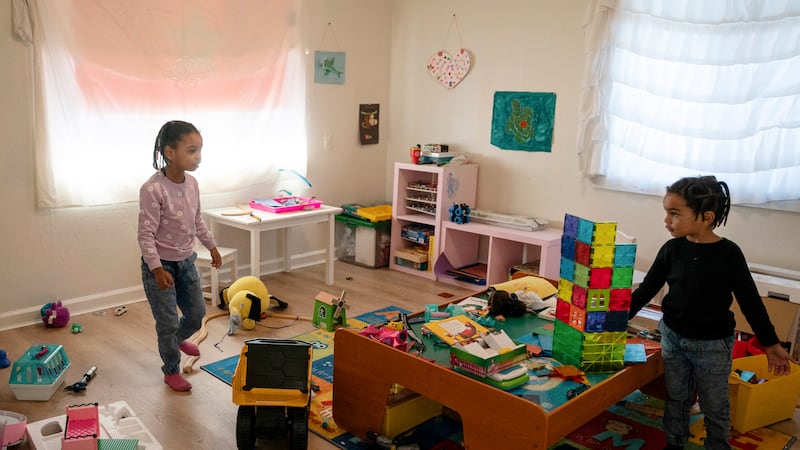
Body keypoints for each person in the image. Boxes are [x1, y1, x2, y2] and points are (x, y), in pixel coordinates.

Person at [628, 175, 794, 450]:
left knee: (714, 405)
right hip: (673, 339)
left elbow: (750, 301)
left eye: (674, 213)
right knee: (677, 397)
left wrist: (771, 343)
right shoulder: (671, 249)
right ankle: (675, 443)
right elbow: (646, 290)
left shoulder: (729, 254)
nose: (667, 220)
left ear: (706, 217)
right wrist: (614, 320)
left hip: (713, 346)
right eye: (666, 213)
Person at [138, 120, 221, 392]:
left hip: (187, 261)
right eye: (192, 151)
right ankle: (171, 369)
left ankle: (176, 339)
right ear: (170, 152)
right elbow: (145, 234)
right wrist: (156, 269)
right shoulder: (152, 189)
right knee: (168, 322)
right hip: (161, 267)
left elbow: (197, 221)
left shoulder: (193, 184)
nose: (198, 157)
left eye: (199, 151)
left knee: (196, 314)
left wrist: (211, 246)